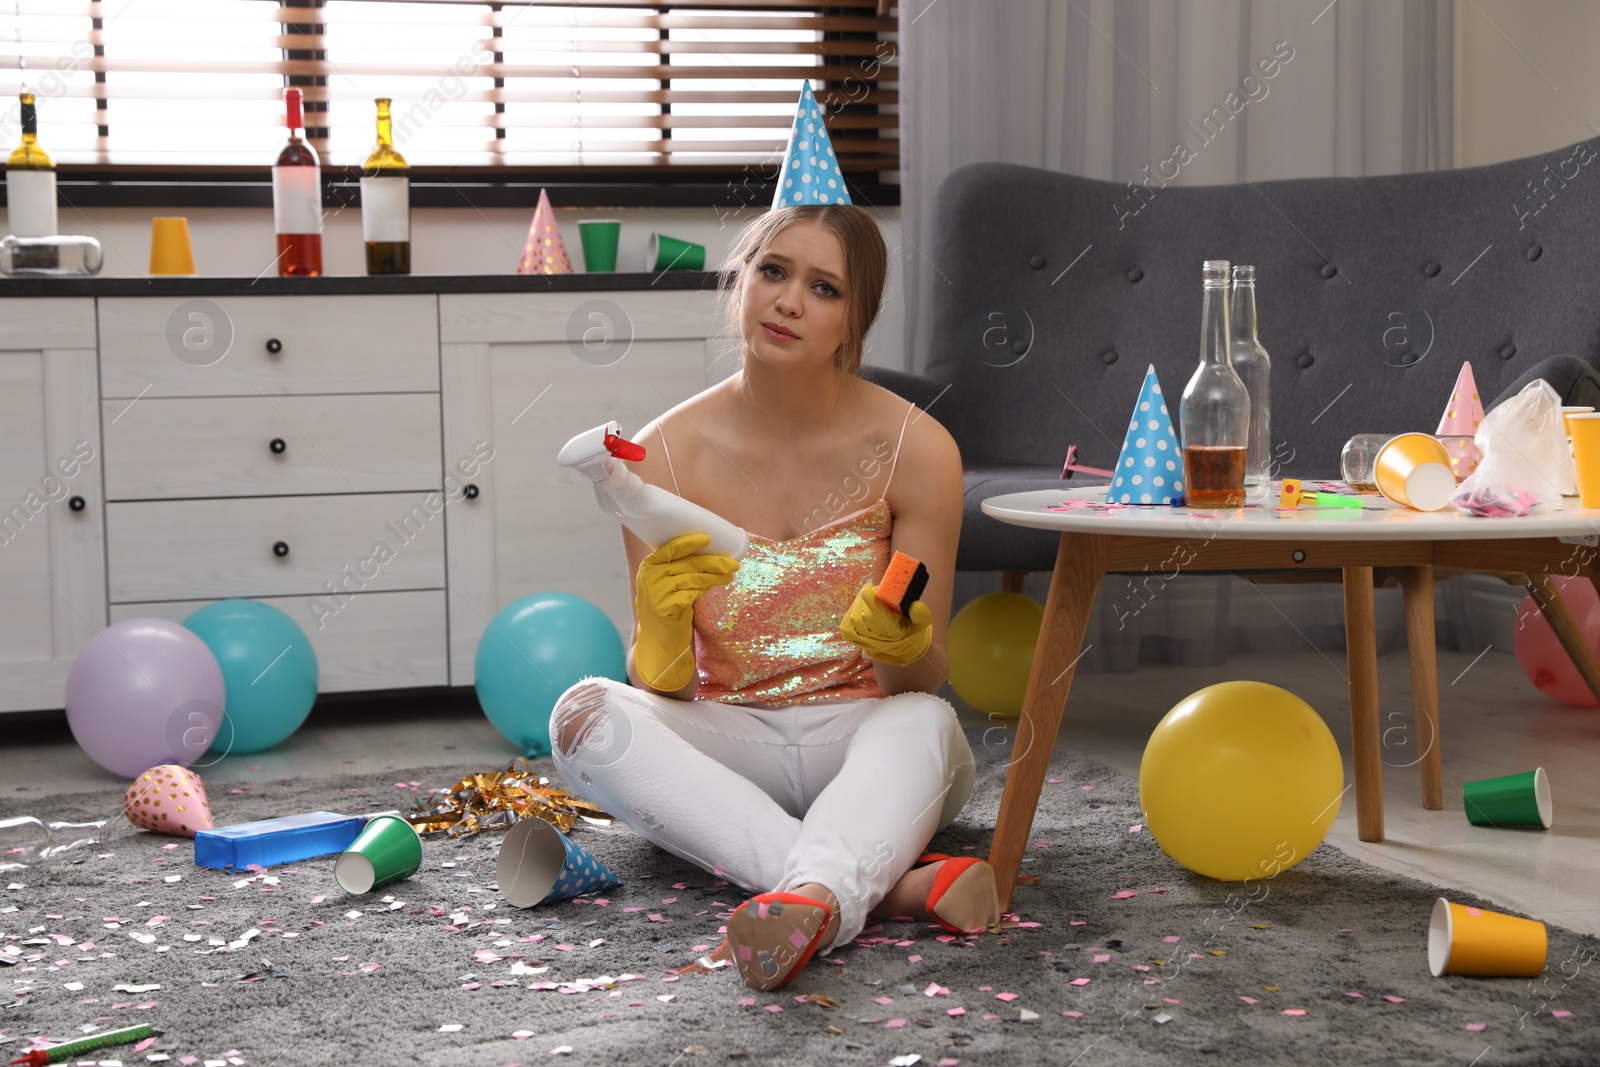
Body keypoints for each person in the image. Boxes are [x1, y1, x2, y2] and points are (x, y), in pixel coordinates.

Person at [549, 203, 997, 992]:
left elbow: (923, 678)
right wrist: (659, 625)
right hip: (733, 745)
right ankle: (857, 886)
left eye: (824, 288)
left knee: (927, 719)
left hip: (868, 737)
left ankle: (818, 887)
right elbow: (669, 688)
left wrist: (903, 643)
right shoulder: (659, 458)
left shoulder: (918, 449)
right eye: (773, 271)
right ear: (741, 284)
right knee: (583, 714)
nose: (789, 301)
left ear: (855, 322)